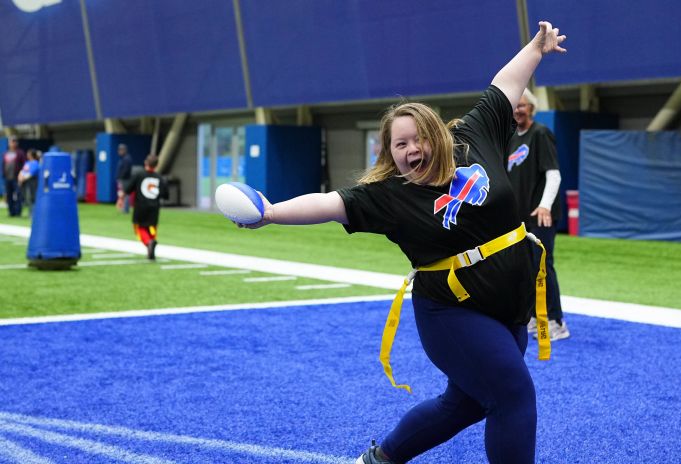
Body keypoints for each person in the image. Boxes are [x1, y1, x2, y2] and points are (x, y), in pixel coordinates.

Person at [238, 21, 566, 464]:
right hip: (451, 311)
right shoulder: (388, 195)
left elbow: (505, 84)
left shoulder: (474, 137)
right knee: (513, 395)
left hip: (511, 303)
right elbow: (329, 203)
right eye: (399, 144)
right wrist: (271, 213)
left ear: (437, 134)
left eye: (417, 138)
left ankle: (382, 458)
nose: (410, 149)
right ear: (389, 152)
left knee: (465, 403)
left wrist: (536, 48)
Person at [506, 88, 570, 341]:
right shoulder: (511, 138)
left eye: (523, 106)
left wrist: (544, 205)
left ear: (531, 108)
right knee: (524, 268)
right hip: (519, 217)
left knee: (542, 266)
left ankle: (556, 321)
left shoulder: (541, 134)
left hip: (540, 215)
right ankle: (534, 315)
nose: (518, 110)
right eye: (515, 106)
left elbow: (554, 174)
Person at [121, 154, 168, 260]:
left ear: (146, 162)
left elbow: (128, 189)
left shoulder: (139, 175)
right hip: (154, 208)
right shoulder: (159, 178)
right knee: (152, 229)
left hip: (140, 206)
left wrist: (121, 199)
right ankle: (151, 247)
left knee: (139, 228)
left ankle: (148, 243)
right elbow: (166, 194)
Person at [3, 136, 26, 217]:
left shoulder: (20, 152)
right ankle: (11, 212)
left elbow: (24, 165)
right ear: (9, 143)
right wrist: (4, 175)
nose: (13, 143)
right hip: (7, 178)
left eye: (14, 141)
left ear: (17, 143)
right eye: (11, 141)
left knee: (18, 195)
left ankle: (18, 212)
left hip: (16, 178)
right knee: (9, 195)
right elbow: (3, 164)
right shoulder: (6, 153)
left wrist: (22, 175)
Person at [17, 149, 40, 217]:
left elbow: (31, 173)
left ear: (32, 155)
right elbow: (22, 171)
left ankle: (33, 214)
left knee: (33, 198)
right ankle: (30, 213)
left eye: (28, 153)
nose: (27, 155)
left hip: (32, 183)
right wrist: (20, 178)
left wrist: (22, 179)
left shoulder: (35, 163)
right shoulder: (27, 163)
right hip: (25, 183)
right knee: (27, 199)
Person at [115, 143, 133, 213]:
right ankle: (123, 208)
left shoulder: (127, 159)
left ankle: (125, 209)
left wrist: (121, 178)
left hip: (125, 179)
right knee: (122, 194)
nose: (119, 152)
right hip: (123, 179)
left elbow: (126, 170)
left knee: (125, 194)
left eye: (121, 150)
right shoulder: (123, 159)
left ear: (124, 150)